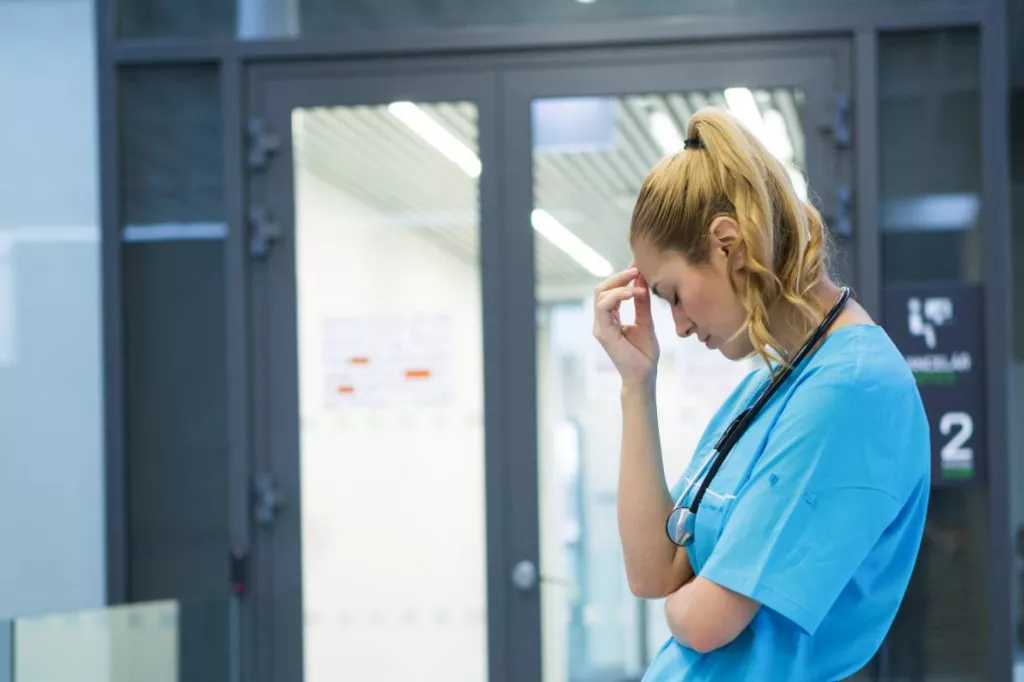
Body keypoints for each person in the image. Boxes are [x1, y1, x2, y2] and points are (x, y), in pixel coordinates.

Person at [592, 107, 930, 681]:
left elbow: (703, 622)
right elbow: (653, 571)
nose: (676, 326)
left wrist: (689, 596)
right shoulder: (771, 384)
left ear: (727, 245)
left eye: (674, 294)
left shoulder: (850, 390)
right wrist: (635, 383)